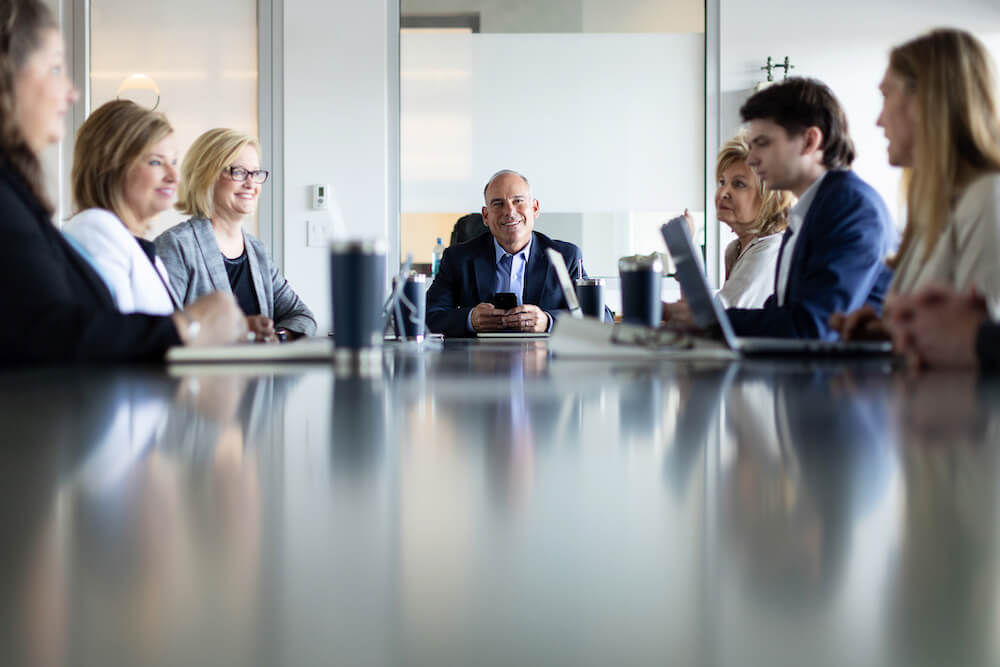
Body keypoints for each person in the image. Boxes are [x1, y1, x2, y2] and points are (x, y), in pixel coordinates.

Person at [0, 0, 246, 363]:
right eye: (55, 69)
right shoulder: (87, 227)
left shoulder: (20, 196)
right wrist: (190, 326)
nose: (71, 93)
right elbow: (55, 334)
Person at [673, 78, 895, 340]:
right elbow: (781, 312)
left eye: (763, 143)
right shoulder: (810, 212)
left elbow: (814, 327)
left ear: (810, 141)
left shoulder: (852, 209)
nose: (753, 159)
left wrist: (709, 320)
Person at [832, 29, 1000, 342]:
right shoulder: (933, 209)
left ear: (926, 100)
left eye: (886, 95)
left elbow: (982, 343)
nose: (878, 120)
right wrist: (884, 333)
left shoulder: (988, 197)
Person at [155, 128, 316, 342]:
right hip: (201, 375)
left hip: (260, 375)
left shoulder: (257, 251)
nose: (251, 184)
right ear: (207, 176)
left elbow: (303, 316)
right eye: (238, 172)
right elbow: (159, 331)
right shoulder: (177, 245)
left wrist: (279, 336)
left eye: (256, 173)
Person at [426, 169, 608, 336]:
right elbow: (426, 317)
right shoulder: (458, 259)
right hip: (479, 365)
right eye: (498, 203)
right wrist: (470, 319)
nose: (510, 211)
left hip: (545, 367)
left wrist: (548, 321)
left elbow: (601, 318)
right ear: (486, 216)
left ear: (534, 208)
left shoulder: (565, 257)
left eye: (518, 201)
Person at [62, 99, 180, 315]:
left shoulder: (139, 246)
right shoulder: (94, 228)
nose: (174, 176)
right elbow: (119, 336)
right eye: (155, 162)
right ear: (111, 167)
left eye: (174, 162)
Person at [666, 132, 795, 318]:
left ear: (769, 197)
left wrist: (660, 309)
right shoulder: (734, 250)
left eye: (739, 184)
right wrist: (686, 247)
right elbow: (702, 318)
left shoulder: (770, 249)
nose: (723, 192)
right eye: (722, 182)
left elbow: (713, 318)